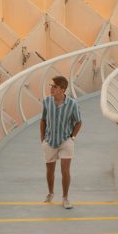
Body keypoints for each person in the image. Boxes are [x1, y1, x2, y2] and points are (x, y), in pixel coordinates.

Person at [40, 75, 82, 209]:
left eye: (54, 87)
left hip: (66, 140)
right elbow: (43, 120)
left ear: (62, 89)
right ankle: (50, 193)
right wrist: (42, 138)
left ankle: (65, 198)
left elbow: (78, 122)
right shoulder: (46, 102)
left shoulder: (72, 104)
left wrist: (73, 137)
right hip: (50, 140)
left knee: (65, 170)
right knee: (50, 170)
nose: (51, 89)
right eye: (51, 86)